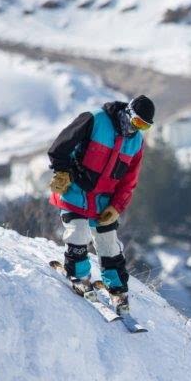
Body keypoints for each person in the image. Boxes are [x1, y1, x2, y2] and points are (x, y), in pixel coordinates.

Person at [47, 95, 155, 302]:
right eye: (137, 122)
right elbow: (59, 147)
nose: (138, 128)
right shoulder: (95, 119)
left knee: (109, 243)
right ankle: (79, 276)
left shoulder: (136, 142)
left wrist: (116, 206)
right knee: (78, 234)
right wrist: (61, 172)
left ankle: (117, 289)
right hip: (76, 189)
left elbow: (129, 180)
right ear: (129, 113)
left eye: (145, 126)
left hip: (103, 201)